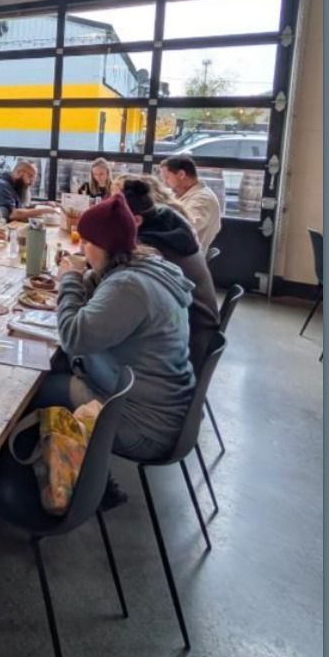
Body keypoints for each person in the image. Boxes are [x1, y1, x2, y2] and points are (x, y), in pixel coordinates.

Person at [47, 193, 196, 465]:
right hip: (161, 407)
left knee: (35, 388)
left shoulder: (129, 288)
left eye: (88, 243)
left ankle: (61, 482)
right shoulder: (147, 267)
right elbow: (105, 292)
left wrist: (70, 279)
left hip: (142, 424)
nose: (82, 250)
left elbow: (72, 337)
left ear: (106, 246)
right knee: (55, 366)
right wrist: (89, 276)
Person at [122, 176, 220, 335]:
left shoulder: (152, 246)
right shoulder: (168, 223)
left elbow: (121, 283)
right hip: (198, 323)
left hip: (191, 335)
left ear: (136, 220)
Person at [160, 156, 223, 256]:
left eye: (167, 178)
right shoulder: (181, 193)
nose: (165, 183)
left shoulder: (203, 199)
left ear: (181, 174)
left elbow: (187, 227)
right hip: (176, 251)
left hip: (184, 257)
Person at [0, 159, 54, 229]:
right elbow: (10, 215)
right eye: (30, 177)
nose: (32, 182)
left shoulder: (14, 186)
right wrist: (43, 211)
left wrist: (44, 204)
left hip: (6, 228)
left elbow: (22, 207)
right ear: (19, 173)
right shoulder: (1, 186)